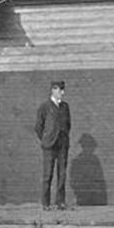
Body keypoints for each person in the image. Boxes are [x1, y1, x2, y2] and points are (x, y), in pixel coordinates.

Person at [34, 80, 71, 210]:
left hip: (62, 145)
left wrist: (64, 139)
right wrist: (45, 139)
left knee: (62, 174)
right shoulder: (44, 107)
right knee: (47, 174)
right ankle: (46, 203)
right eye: (60, 90)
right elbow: (38, 127)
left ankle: (60, 202)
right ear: (53, 90)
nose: (62, 93)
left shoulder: (65, 106)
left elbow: (68, 125)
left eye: (63, 90)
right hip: (49, 146)